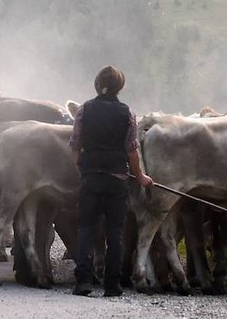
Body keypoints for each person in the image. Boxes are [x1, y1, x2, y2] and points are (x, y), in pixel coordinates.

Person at [69, 65, 153, 298]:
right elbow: (132, 151)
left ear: (97, 84)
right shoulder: (127, 113)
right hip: (117, 179)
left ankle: (83, 282)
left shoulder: (84, 110)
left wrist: (82, 167)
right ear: (120, 87)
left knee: (86, 229)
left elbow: (74, 144)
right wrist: (142, 176)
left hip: (90, 177)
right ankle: (112, 285)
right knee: (115, 232)